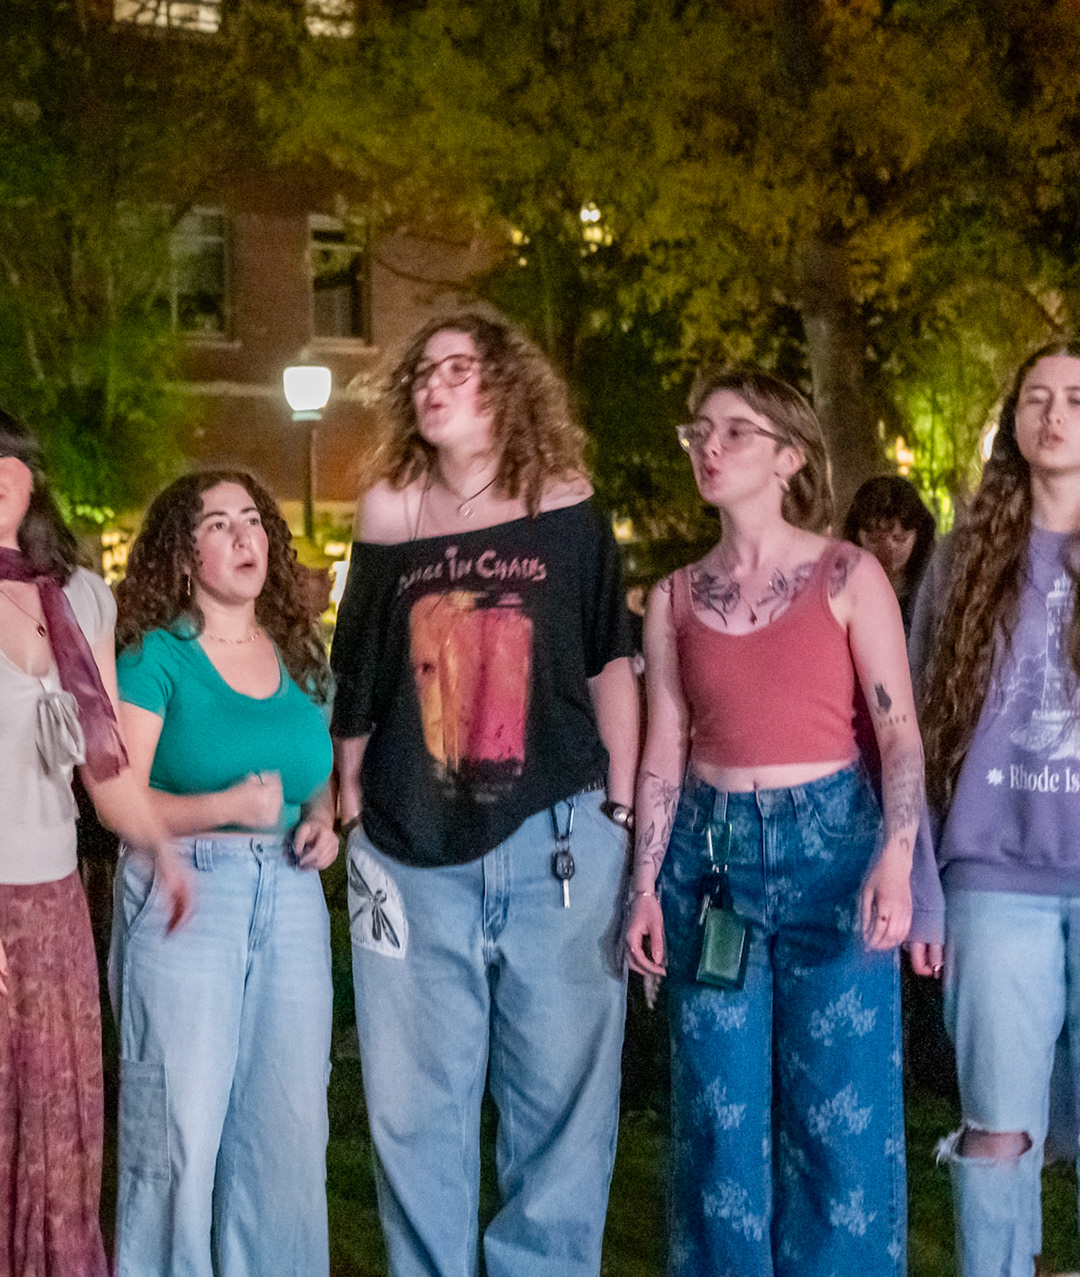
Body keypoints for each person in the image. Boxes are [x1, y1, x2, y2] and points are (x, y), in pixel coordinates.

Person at [329, 298, 640, 1277]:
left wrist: (622, 809)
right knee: (414, 1109)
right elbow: (358, 674)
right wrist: (348, 806)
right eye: (423, 372)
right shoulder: (391, 509)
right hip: (410, 843)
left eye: (457, 367)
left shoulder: (566, 501)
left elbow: (609, 659)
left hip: (558, 836)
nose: (435, 384)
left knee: (562, 1109)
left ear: (506, 385)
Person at [622, 371, 921, 1276]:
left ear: (790, 457)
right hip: (712, 859)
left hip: (834, 852)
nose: (709, 447)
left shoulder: (848, 574)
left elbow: (900, 735)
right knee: (718, 1118)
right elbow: (664, 745)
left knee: (842, 1117)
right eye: (699, 431)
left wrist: (897, 856)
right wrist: (644, 886)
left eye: (736, 432)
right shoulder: (673, 598)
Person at [0, 399, 188, 1277]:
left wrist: (162, 848)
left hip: (53, 906)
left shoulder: (83, 596)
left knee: (56, 1128)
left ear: (28, 470)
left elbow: (105, 767)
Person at [109, 469, 338, 1277]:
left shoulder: (300, 653)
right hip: (189, 890)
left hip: (293, 897)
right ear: (182, 553)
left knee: (288, 1133)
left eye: (252, 519)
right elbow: (119, 797)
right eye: (217, 524)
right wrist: (225, 805)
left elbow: (316, 773)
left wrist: (320, 820)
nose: (244, 537)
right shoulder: (155, 655)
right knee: (177, 1133)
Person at [909, 340, 1080, 1277]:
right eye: (1036, 397)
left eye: (1077, 398)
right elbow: (913, 726)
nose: (1054, 415)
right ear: (1013, 421)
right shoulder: (964, 560)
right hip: (991, 880)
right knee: (997, 1129)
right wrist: (923, 883)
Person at [844, 473, 937, 630]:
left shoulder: (933, 589)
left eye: (900, 539)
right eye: (874, 539)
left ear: (919, 536)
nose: (887, 550)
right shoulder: (842, 585)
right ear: (856, 537)